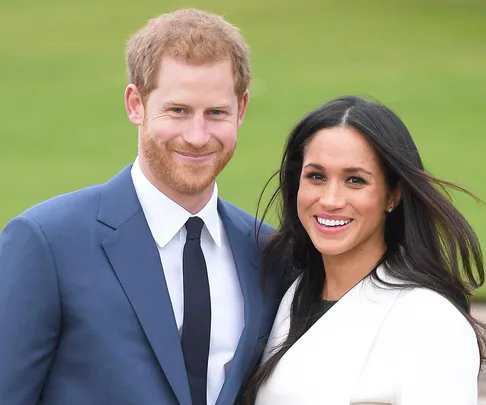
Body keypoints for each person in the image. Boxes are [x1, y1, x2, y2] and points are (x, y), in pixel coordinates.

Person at [0, 9, 286, 405]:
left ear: (241, 109)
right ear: (136, 104)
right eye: (178, 110)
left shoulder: (268, 251)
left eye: (215, 113)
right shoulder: (46, 242)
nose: (198, 136)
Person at [244, 95, 485, 404]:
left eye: (355, 180)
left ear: (392, 196)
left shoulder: (430, 321)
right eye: (316, 176)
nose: (331, 200)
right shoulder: (287, 293)